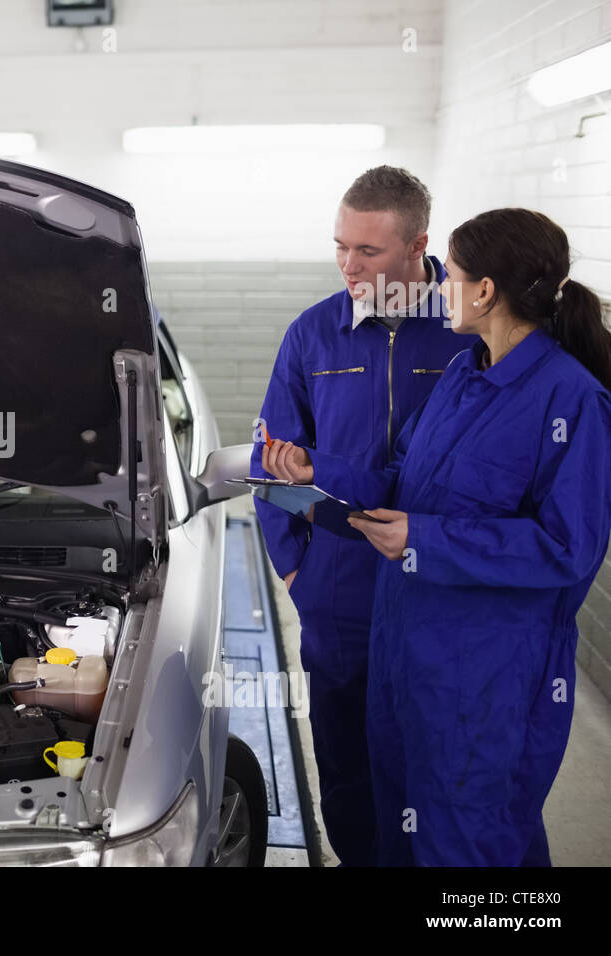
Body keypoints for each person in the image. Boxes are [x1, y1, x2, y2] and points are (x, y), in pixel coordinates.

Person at [264, 208, 611, 866]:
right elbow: (402, 482)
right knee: (403, 822)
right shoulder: (462, 375)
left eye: (449, 276)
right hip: (409, 650)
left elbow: (569, 548)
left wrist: (424, 540)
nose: (439, 289)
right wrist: (317, 473)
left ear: (485, 291)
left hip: (485, 673)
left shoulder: (571, 400)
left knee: (469, 838)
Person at [250, 167, 474, 865]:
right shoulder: (313, 334)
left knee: (434, 757)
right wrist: (298, 572)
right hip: (339, 588)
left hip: (441, 580)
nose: (348, 266)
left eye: (368, 251)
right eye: (340, 247)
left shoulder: (467, 328)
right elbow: (272, 468)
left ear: (418, 247)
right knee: (345, 760)